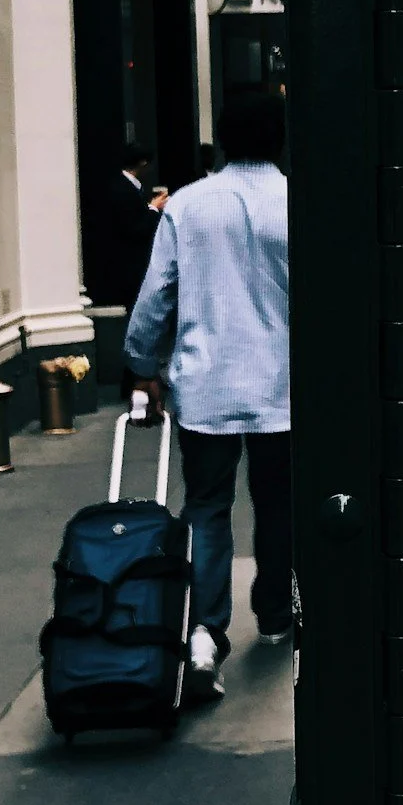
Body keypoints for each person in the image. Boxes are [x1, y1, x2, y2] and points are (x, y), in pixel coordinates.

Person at [125, 85, 292, 701]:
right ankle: (276, 613)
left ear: (222, 138)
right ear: (281, 137)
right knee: (280, 507)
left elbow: (155, 297)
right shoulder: (298, 203)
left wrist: (143, 363)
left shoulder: (187, 208)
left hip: (207, 387)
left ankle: (203, 635)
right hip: (283, 389)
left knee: (207, 509)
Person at [101, 143, 167, 314]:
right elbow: (136, 228)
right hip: (129, 264)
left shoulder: (123, 186)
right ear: (143, 163)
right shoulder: (124, 189)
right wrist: (153, 208)